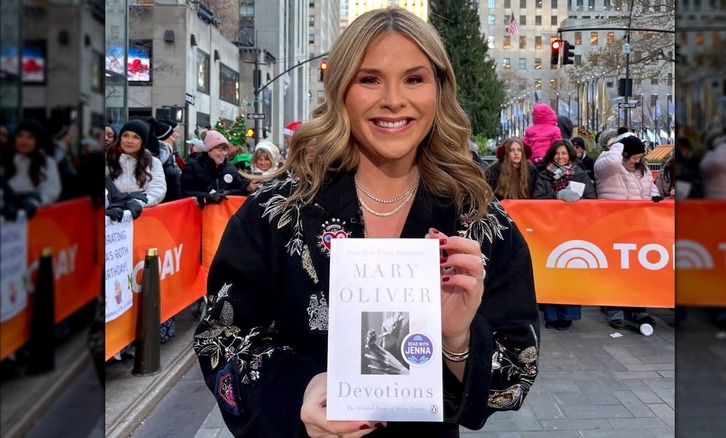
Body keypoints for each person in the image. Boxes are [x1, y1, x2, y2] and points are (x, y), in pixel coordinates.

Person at [193, 8, 539, 437]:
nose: (393, 99)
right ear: (341, 91)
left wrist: (458, 342)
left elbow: (516, 373)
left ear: (439, 90)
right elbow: (221, 338)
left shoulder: (478, 219)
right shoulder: (276, 210)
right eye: (369, 79)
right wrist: (298, 391)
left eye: (414, 79)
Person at [593, 133, 659, 330]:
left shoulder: (642, 168)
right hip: (614, 224)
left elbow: (650, 188)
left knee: (638, 268)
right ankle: (615, 308)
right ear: (624, 153)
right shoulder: (607, 163)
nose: (638, 161)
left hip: (639, 225)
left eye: (640, 158)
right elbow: (613, 162)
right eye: (635, 157)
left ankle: (637, 308)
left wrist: (655, 199)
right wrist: (618, 146)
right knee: (615, 268)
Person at [531, 140, 596, 330]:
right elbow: (536, 199)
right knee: (551, 270)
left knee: (571, 270)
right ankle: (551, 315)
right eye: (557, 154)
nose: (560, 157)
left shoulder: (580, 173)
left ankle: (569, 314)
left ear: (570, 155)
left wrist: (579, 203)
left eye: (564, 153)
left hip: (574, 229)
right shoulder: (543, 174)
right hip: (549, 229)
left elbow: (592, 199)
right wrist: (557, 196)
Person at [1, 119, 62, 215]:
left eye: (30, 137)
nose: (24, 141)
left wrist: (34, 202)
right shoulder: (5, 159)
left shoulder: (47, 162)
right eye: (20, 136)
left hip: (35, 215)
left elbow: (52, 190)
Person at [105, 119, 167, 209]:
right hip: (111, 216)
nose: (129, 141)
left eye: (136, 137)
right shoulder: (108, 159)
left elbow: (157, 190)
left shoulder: (153, 162)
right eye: (125, 135)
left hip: (143, 216)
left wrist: (138, 203)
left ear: (142, 142)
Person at [181, 130, 245, 208]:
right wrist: (206, 197)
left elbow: (240, 189)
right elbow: (184, 192)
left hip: (224, 215)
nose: (223, 153)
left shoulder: (231, 168)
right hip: (200, 214)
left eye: (225, 150)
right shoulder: (193, 166)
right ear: (209, 151)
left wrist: (228, 192)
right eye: (219, 150)